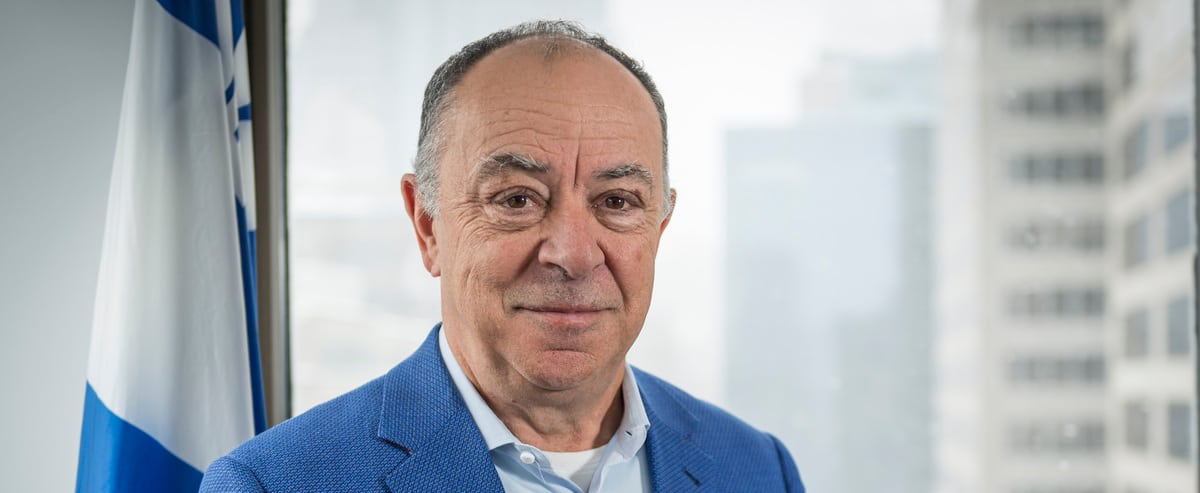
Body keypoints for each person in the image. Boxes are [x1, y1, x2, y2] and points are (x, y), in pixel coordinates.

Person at [200, 20, 804, 493]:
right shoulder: (275, 484)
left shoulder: (756, 469)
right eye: (517, 199)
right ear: (427, 225)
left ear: (660, 227)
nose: (573, 254)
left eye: (617, 201)